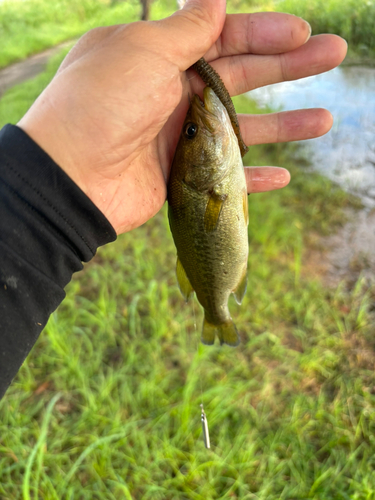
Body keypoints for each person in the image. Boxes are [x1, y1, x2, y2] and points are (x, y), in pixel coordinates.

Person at [0, 0, 348, 399]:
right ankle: (217, 316)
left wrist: (40, 200)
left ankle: (216, 312)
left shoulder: (209, 180)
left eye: (190, 134)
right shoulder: (208, 181)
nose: (194, 126)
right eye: (192, 135)